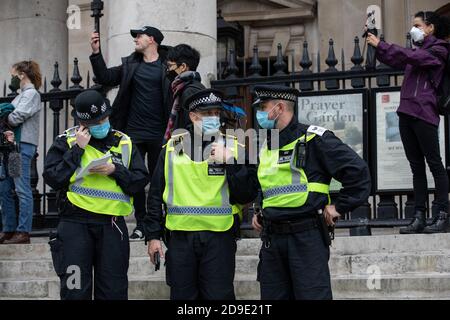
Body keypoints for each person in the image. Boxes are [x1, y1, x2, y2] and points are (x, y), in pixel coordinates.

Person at [248, 85, 371, 300]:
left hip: (306, 237)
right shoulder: (267, 144)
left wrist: (339, 206)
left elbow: (358, 172)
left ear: (279, 108)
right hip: (272, 239)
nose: (259, 113)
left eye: (263, 107)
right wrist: (260, 211)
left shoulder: (314, 138)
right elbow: (268, 184)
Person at [143, 89, 257, 300]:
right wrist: (153, 236)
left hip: (219, 237)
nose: (214, 118)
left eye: (216, 113)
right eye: (207, 113)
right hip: (180, 238)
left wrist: (230, 161)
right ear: (193, 116)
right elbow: (156, 195)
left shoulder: (235, 145)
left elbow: (247, 194)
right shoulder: (171, 148)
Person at [42, 90, 148, 300]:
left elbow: (139, 181)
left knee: (113, 291)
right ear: (82, 122)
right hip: (75, 224)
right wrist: (78, 150)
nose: (102, 124)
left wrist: (116, 170)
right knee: (75, 290)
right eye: (95, 122)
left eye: (104, 118)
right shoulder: (66, 141)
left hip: (112, 226)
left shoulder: (124, 141)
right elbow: (53, 178)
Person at [367, 11, 450, 234]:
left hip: (424, 113)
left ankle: (442, 215)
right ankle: (419, 216)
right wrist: (376, 46)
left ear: (430, 28)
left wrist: (382, 44)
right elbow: (397, 58)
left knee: (435, 164)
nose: (413, 29)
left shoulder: (439, 51)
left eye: (417, 25)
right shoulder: (418, 51)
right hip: (406, 112)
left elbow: (411, 57)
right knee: (416, 168)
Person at [90, 26, 173, 240]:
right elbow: (106, 77)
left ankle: (160, 222)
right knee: (136, 179)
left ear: (152, 39)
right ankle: (142, 222)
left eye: (139, 35)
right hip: (133, 132)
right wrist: (96, 53)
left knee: (159, 180)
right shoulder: (130, 64)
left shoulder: (168, 65)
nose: (136, 39)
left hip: (160, 133)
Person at [0, 61, 42, 245]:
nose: (12, 78)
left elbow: (17, 117)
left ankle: (23, 231)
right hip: (12, 147)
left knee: (21, 188)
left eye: (13, 74)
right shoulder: (21, 96)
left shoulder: (31, 94)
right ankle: (8, 228)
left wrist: (3, 118)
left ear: (22, 74)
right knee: (5, 189)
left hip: (20, 146)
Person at [164, 44, 205, 141]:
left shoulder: (189, 91)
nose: (168, 70)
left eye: (170, 66)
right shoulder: (187, 88)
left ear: (183, 66)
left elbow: (193, 127)